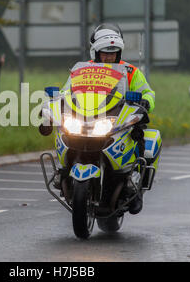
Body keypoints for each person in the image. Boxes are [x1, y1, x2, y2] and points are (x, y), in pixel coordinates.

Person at [54, 23, 155, 215]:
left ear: (119, 52)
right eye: (104, 52)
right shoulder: (83, 70)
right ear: (95, 52)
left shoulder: (131, 71)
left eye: (113, 52)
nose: (109, 56)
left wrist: (145, 102)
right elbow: (66, 90)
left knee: (138, 135)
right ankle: (63, 172)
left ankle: (136, 187)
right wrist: (58, 100)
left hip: (117, 118)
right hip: (85, 117)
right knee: (64, 131)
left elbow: (148, 92)